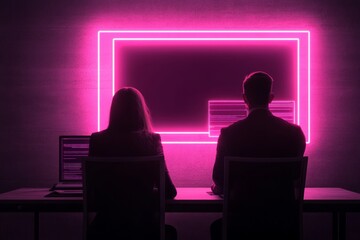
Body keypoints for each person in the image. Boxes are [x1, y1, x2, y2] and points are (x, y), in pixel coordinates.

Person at [210, 71, 306, 239]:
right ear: (271, 97)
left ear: (244, 98)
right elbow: (295, 176)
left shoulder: (229, 134)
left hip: (241, 225)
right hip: (281, 225)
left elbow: (219, 179)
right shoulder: (294, 133)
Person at [88, 87, 177, 240]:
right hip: (145, 229)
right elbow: (169, 192)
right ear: (141, 111)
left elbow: (92, 193)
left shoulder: (97, 140)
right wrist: (142, 195)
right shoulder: (151, 141)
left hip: (106, 230)